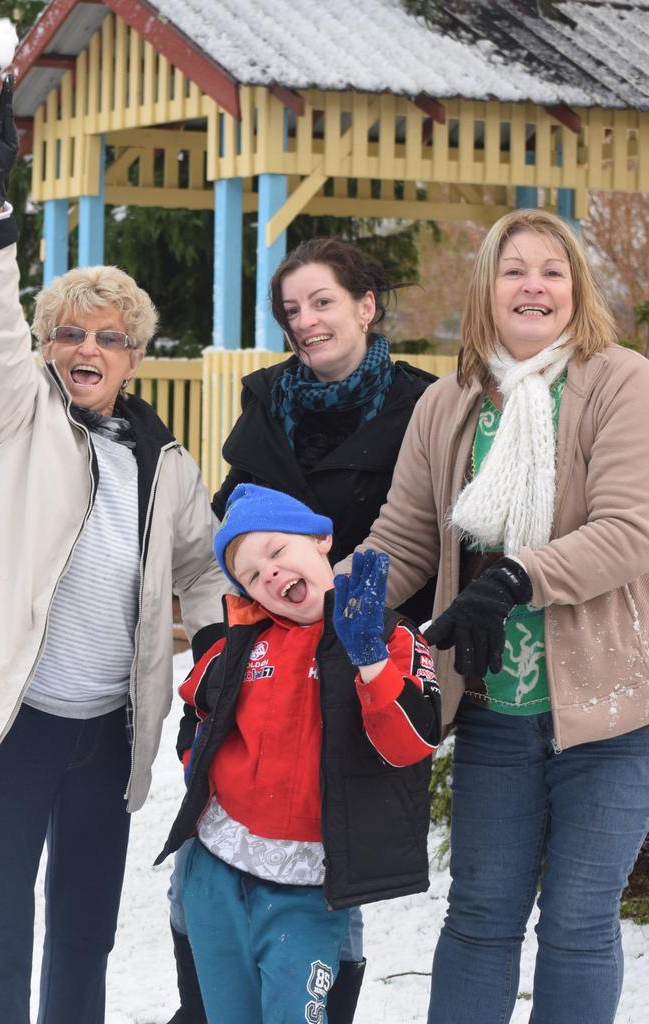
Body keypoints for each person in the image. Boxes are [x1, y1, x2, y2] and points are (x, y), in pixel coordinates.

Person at [0, 71, 228, 1024]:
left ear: (134, 354)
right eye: (68, 333)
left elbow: (201, 574)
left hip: (108, 736)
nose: (87, 347)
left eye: (108, 337)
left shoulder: (167, 464)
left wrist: (218, 663)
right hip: (11, 727)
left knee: (84, 939)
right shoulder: (14, 416)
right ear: (46, 347)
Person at [336, 208, 649, 1024]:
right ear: (488, 289)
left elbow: (629, 532)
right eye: (515, 270)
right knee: (478, 920)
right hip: (491, 712)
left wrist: (516, 577)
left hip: (610, 713)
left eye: (553, 270)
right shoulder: (450, 405)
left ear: (576, 289)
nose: (534, 285)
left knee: (580, 925)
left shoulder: (621, 382)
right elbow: (400, 539)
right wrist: (319, 593)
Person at [166, 235, 438, 1023]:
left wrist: (371, 633)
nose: (307, 321)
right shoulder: (266, 405)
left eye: (323, 301)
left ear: (365, 305)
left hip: (358, 648)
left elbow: (435, 526)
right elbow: (235, 517)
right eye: (292, 310)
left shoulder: (418, 405)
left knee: (304, 968)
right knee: (215, 981)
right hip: (265, 638)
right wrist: (249, 596)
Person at [156, 484, 441, 1023]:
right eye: (251, 574)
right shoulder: (239, 644)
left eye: (277, 550)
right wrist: (198, 764)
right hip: (219, 870)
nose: (268, 573)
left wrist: (370, 662)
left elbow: (412, 745)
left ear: (321, 539)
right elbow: (197, 705)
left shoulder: (388, 637)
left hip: (309, 890)